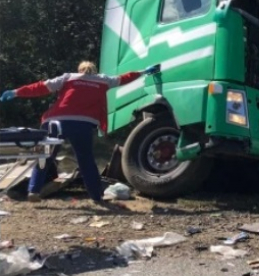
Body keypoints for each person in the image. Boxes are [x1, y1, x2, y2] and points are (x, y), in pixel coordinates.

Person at [0, 61, 159, 203]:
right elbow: (125, 78)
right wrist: (144, 71)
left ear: (80, 70)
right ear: (94, 70)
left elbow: (40, 87)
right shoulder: (103, 80)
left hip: (56, 121)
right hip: (83, 123)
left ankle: (33, 190)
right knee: (86, 160)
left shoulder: (68, 77)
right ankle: (97, 196)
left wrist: (16, 92)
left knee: (45, 155)